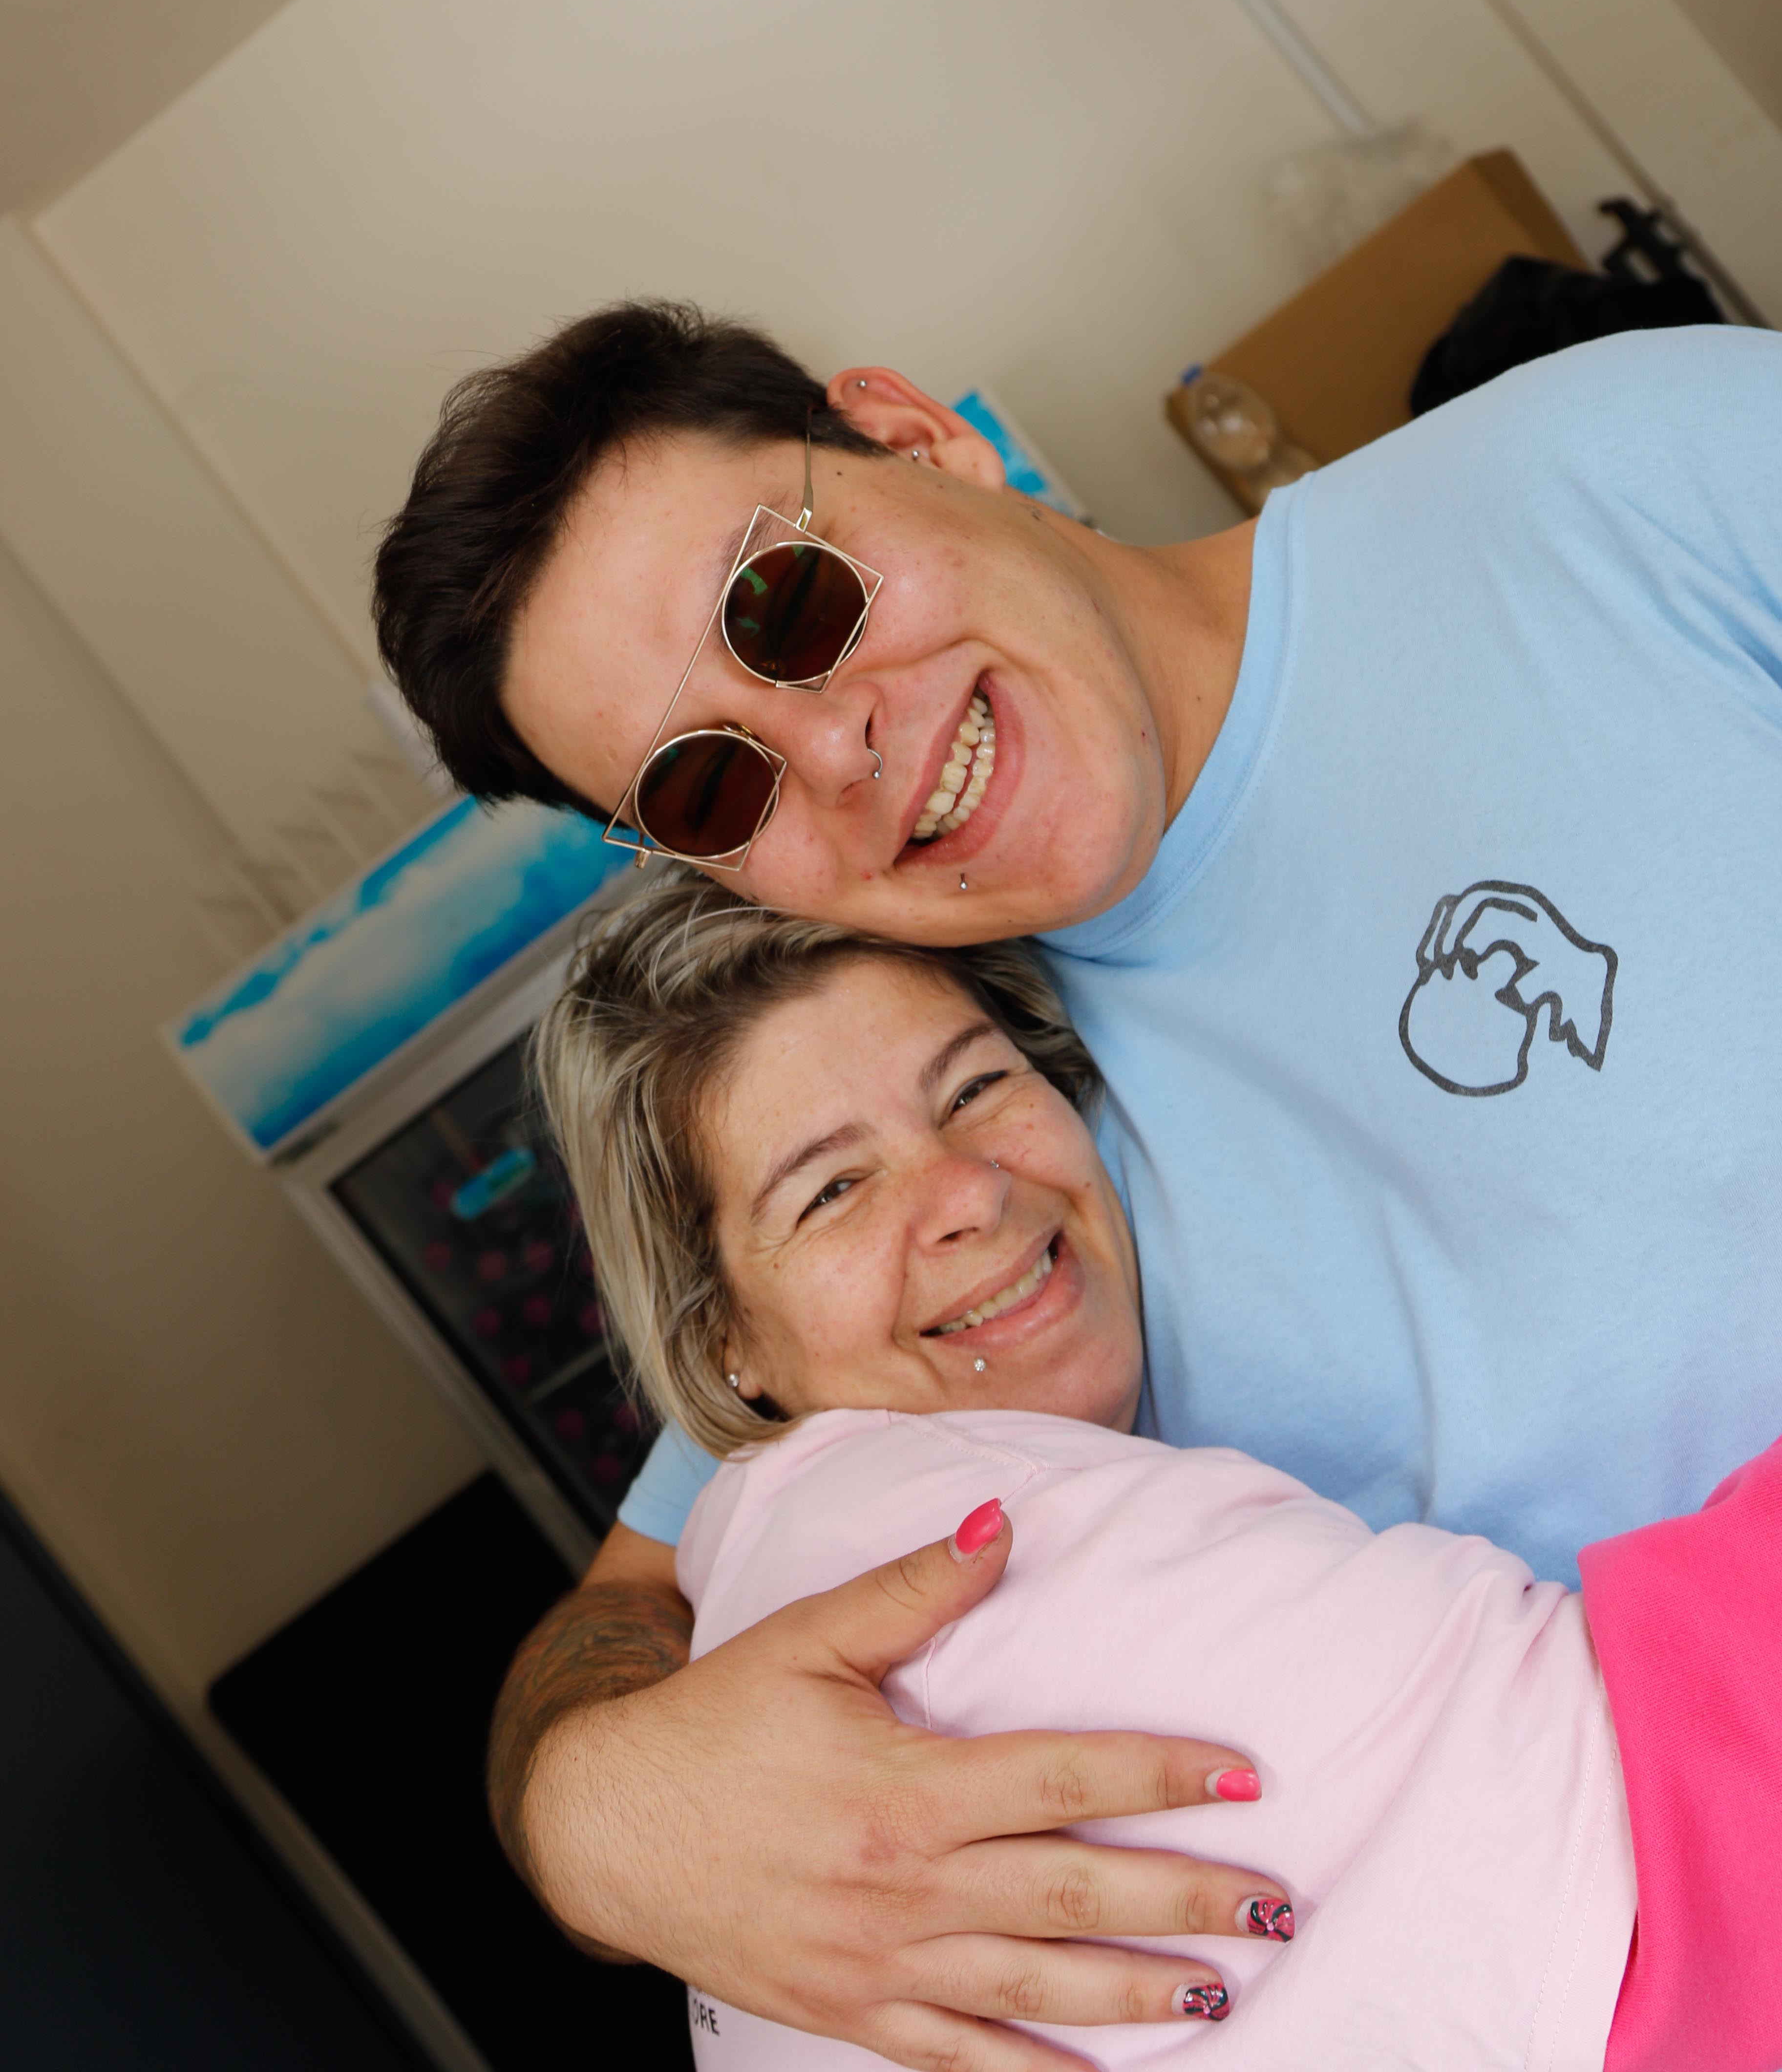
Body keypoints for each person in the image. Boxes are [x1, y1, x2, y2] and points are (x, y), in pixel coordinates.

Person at [372, 301, 1782, 2065]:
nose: (836, 750)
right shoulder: (957, 1120)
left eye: (788, 606)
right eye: (713, 782)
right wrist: (605, 1814)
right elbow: (625, 1608)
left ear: (917, 440)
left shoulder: (1616, 486)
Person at [530, 869, 1781, 2072]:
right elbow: (1699, 1811)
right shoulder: (972, 1530)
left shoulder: (774, 1552)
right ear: (726, 1345)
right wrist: (587, 1810)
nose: (968, 1189)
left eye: (974, 1088)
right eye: (835, 1190)